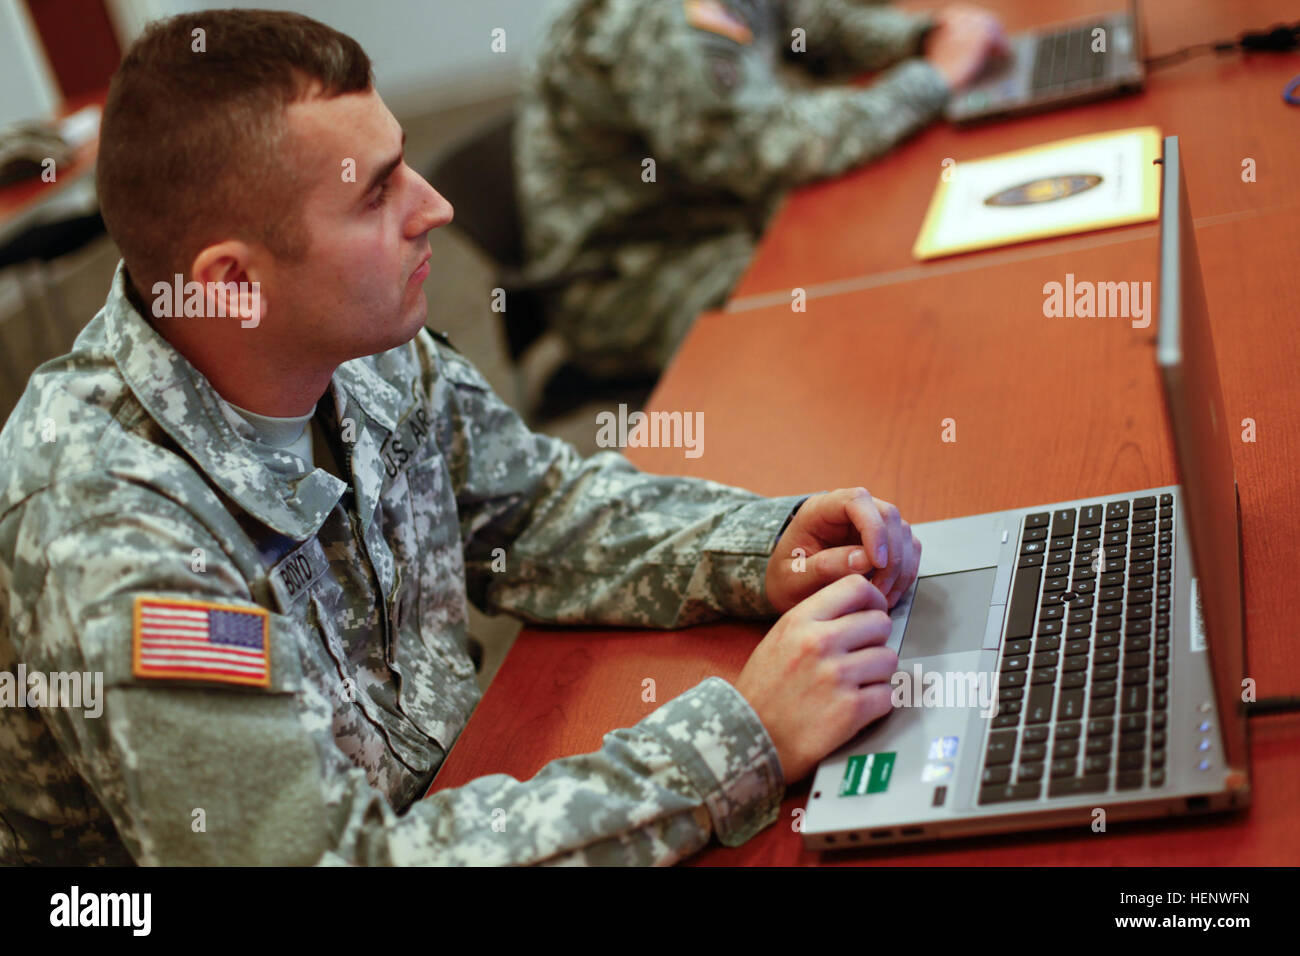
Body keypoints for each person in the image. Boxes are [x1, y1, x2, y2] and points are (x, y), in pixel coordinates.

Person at [0, 9, 921, 866]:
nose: (433, 206)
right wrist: (735, 741)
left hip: (457, 790)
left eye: (404, 161)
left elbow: (532, 512)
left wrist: (762, 546)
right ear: (235, 285)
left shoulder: (352, 341)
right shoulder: (115, 534)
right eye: (375, 195)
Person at [516, 0, 1006, 379]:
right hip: (636, 274)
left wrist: (924, 38)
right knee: (856, 320)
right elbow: (765, 151)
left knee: (895, 243)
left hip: (713, 216)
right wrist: (931, 79)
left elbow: (813, 25)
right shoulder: (659, 21)